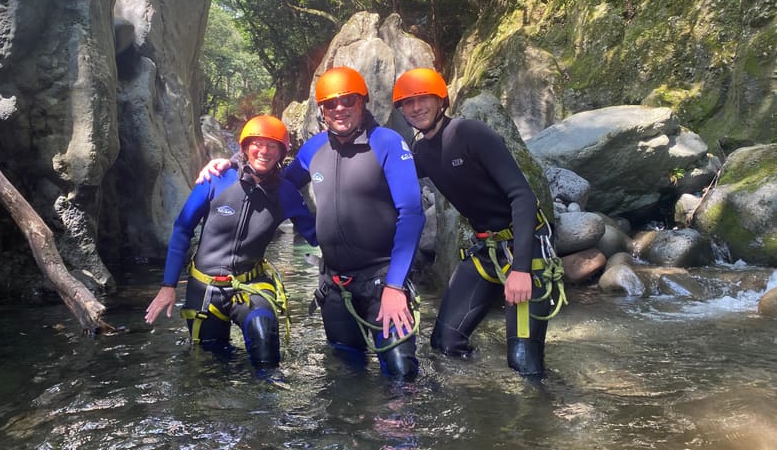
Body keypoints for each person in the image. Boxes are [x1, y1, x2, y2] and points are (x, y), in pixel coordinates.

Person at [201, 67, 425, 380]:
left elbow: (412, 213)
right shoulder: (315, 147)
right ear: (321, 111)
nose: (340, 109)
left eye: (348, 100)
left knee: (401, 374)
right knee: (343, 373)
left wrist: (395, 287)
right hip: (335, 285)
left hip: (382, 281)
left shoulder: (387, 143)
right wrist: (232, 164)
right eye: (331, 104)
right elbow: (273, 182)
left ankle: (400, 428)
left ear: (363, 102)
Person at [392, 68, 564, 377]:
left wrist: (521, 270)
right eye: (407, 102)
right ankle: (481, 397)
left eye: (422, 99)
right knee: (445, 343)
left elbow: (523, 198)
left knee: (524, 362)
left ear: (440, 99)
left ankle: (552, 405)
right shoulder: (420, 151)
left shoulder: (470, 133)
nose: (416, 107)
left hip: (527, 247)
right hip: (486, 248)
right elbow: (388, 185)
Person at [145, 115, 317, 373]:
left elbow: (316, 235)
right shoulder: (217, 178)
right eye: (257, 143)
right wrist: (168, 286)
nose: (264, 151)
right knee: (211, 366)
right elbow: (183, 228)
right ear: (245, 147)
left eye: (272, 146)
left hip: (251, 285)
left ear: (282, 152)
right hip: (205, 287)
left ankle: (267, 404)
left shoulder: (286, 192)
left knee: (264, 336)